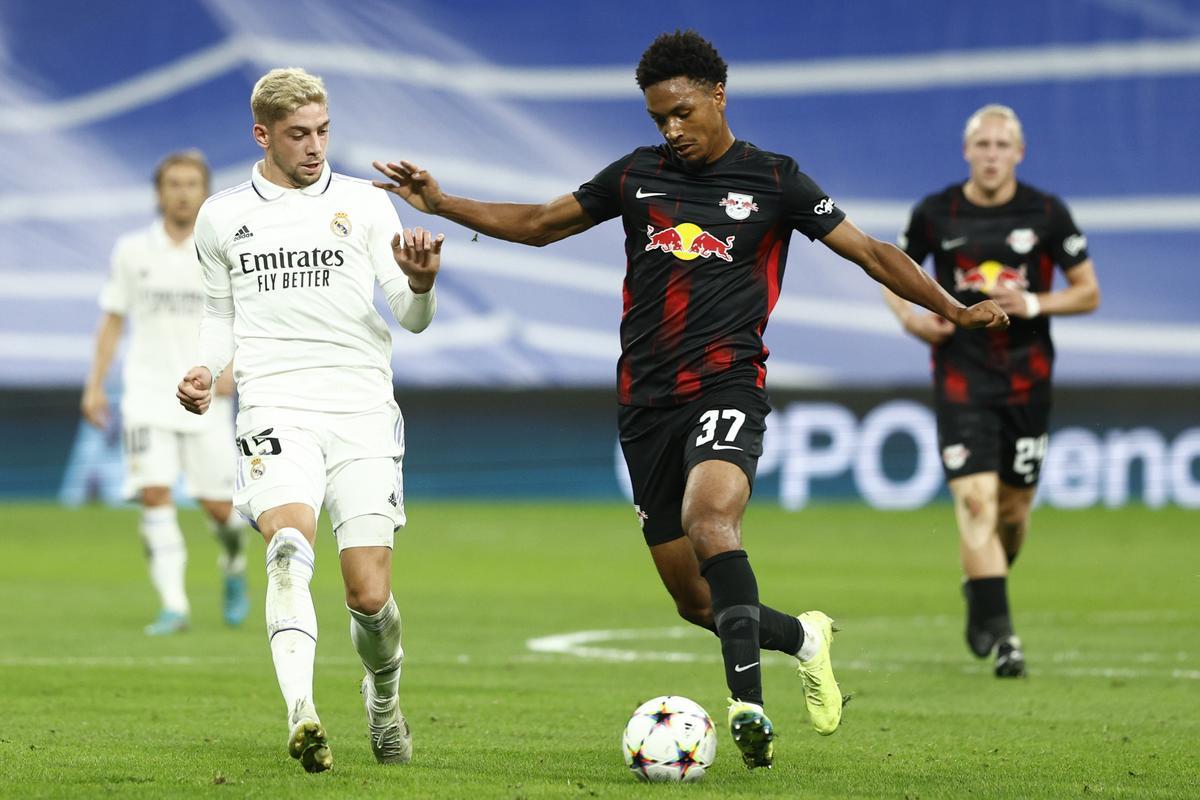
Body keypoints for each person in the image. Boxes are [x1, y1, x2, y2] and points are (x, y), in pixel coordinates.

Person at [373, 31, 1008, 769]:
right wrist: (441, 202)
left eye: (681, 112)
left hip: (728, 383)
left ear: (717, 96)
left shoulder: (775, 180)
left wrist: (953, 309)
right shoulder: (636, 178)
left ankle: (748, 710)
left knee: (710, 520)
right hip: (645, 407)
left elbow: (872, 253)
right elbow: (542, 226)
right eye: (658, 119)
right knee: (694, 601)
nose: (671, 130)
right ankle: (806, 638)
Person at [176, 67, 443, 773]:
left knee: (369, 594)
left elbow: (410, 319)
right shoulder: (222, 216)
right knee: (287, 548)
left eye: (323, 130)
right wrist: (206, 368)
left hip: (360, 411)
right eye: (298, 134)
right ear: (262, 134)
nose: (315, 146)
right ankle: (303, 713)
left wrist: (419, 283)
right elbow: (218, 314)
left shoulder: (364, 204)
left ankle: (382, 702)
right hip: (274, 406)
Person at [882, 104, 1100, 678]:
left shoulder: (1048, 214)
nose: (993, 154)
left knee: (1011, 515)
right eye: (983, 144)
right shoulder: (935, 213)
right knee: (974, 502)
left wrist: (1034, 303)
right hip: (960, 378)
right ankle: (1006, 639)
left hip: (1027, 382)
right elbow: (892, 271)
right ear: (967, 151)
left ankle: (981, 589)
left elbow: (1088, 293)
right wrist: (909, 318)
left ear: (1019, 153)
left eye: (1003, 145)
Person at [82, 150, 249, 636]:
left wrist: (232, 370)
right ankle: (174, 606)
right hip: (148, 395)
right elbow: (112, 321)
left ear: (205, 191)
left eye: (191, 183)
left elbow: (245, 316)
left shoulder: (222, 249)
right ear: (159, 192)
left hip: (207, 396)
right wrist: (95, 386)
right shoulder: (132, 251)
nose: (181, 192)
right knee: (154, 494)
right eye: (173, 183)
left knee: (219, 508)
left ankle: (233, 565)